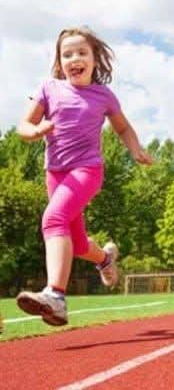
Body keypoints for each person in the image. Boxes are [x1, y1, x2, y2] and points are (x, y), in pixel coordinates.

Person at [15, 27, 153, 326]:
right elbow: (23, 125)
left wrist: (135, 149)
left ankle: (56, 295)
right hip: (55, 173)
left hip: (87, 170)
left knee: (53, 219)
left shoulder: (103, 95)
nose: (74, 58)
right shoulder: (48, 88)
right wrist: (35, 131)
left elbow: (122, 127)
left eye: (81, 52)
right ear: (59, 61)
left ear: (94, 59)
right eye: (67, 54)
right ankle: (105, 258)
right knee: (76, 245)